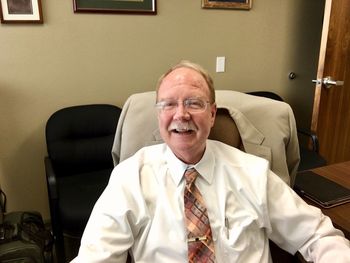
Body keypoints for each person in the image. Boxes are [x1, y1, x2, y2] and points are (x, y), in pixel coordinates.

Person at [72, 61, 350, 262]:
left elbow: (318, 236)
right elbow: (96, 256)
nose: (181, 114)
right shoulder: (130, 178)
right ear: (159, 116)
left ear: (213, 114)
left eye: (194, 103)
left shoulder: (252, 172)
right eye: (168, 104)